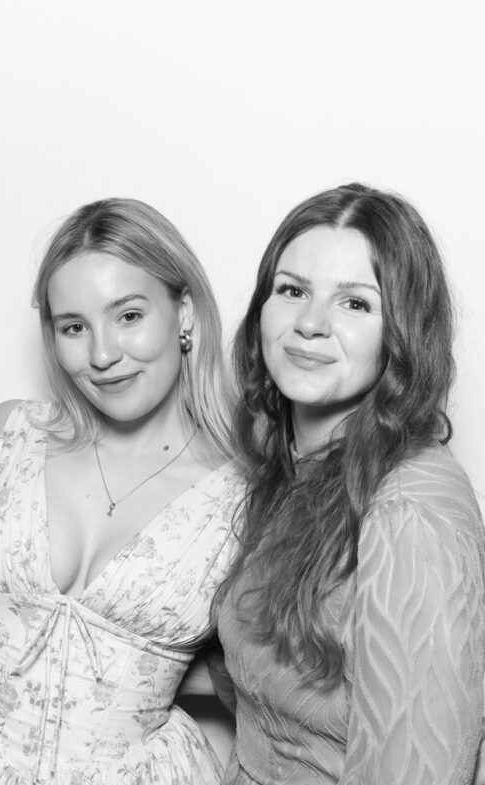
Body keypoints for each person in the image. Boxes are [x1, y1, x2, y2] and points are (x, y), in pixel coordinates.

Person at [0, 198, 247, 783]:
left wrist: (151, 668)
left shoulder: (244, 494)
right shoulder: (5, 436)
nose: (102, 355)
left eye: (128, 315)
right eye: (74, 327)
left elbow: (263, 675)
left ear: (183, 313)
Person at [214, 183, 485, 785]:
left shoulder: (411, 511)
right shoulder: (295, 469)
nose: (310, 323)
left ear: (402, 333)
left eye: (355, 304)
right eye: (292, 291)